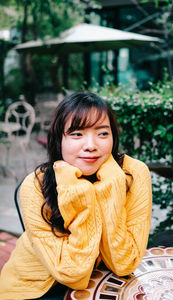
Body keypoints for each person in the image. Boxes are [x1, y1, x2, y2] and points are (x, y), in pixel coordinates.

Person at [0, 91, 152, 299]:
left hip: (102, 282)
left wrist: (111, 189)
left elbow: (124, 264)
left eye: (102, 133)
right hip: (35, 287)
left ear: (113, 137)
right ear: (58, 140)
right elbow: (72, 274)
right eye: (77, 134)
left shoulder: (133, 174)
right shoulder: (35, 186)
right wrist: (80, 195)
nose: (91, 145)